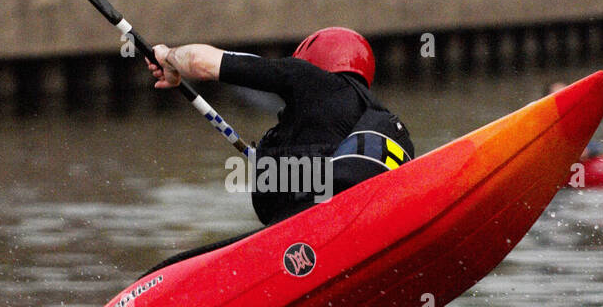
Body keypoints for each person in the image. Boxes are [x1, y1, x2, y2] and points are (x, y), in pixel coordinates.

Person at [142, 27, 414, 273]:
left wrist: (169, 57)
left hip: (313, 239)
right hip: (364, 234)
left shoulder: (307, 78)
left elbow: (201, 63)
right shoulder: (378, 120)